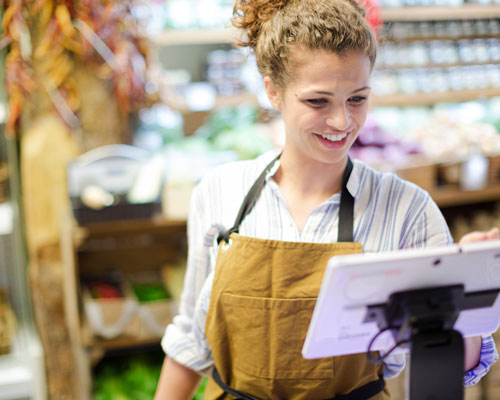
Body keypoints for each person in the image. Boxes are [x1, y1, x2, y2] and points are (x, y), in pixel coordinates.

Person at [154, 0, 499, 398]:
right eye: (318, 101)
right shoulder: (219, 192)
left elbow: (454, 366)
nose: (342, 122)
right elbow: (191, 341)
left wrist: (466, 293)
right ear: (273, 91)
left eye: (357, 99)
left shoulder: (408, 210)